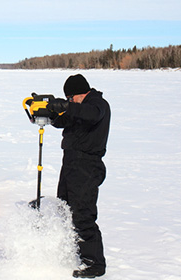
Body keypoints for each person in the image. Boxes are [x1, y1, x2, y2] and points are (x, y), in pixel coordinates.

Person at [46, 74, 111, 278]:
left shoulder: (98, 104)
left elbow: (89, 114)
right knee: (65, 207)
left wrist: (66, 106)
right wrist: (48, 114)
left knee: (83, 213)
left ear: (80, 93)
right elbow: (63, 120)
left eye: (71, 98)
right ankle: (74, 253)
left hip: (87, 165)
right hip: (71, 163)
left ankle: (94, 264)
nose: (70, 101)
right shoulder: (78, 107)